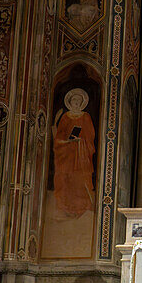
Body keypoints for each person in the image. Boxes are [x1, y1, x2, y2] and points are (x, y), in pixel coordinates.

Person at [52, 88, 96, 218]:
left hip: (81, 154)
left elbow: (90, 136)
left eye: (78, 101)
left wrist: (81, 140)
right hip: (67, 153)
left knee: (80, 179)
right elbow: (60, 135)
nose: (76, 103)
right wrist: (67, 141)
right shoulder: (65, 117)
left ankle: (81, 206)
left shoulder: (86, 117)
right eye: (74, 101)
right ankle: (65, 206)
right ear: (70, 102)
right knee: (66, 178)